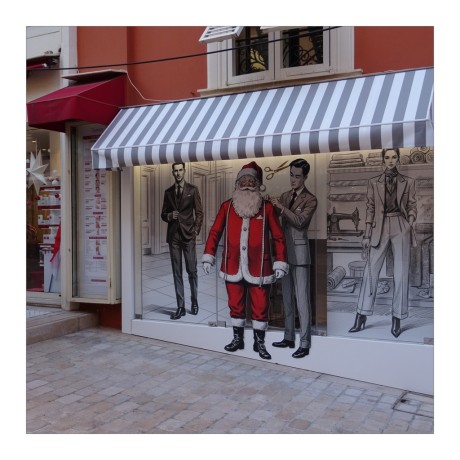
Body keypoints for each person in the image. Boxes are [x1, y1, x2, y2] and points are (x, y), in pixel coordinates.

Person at [202, 161, 288, 360]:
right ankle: (237, 339)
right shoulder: (227, 207)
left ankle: (260, 343)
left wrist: (280, 261)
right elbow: (215, 232)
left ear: (258, 185)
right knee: (235, 304)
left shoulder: (266, 208)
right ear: (237, 184)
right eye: (244, 181)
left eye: (251, 181)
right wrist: (208, 256)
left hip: (260, 267)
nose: (247, 184)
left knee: (260, 306)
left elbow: (278, 237)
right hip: (232, 264)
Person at [348, 148, 417, 337]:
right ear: (383, 160)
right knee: (370, 272)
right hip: (379, 227)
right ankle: (361, 316)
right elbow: (370, 208)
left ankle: (397, 318)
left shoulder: (408, 182)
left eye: (394, 157)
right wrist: (366, 235)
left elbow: (412, 205)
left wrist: (410, 223)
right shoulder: (373, 182)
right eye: (387, 157)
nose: (390, 160)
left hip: (400, 225)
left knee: (401, 273)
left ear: (398, 159)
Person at [270, 158, 318, 358]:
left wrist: (281, 208)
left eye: (297, 176)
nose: (293, 179)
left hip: (300, 256)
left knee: (302, 302)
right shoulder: (284, 195)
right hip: (284, 255)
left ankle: (305, 343)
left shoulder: (311, 199)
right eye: (291, 175)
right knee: (287, 299)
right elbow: (276, 219)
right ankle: (289, 337)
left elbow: (300, 222)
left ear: (305, 177)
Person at [161, 162, 203, 320]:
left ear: (184, 171)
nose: (178, 173)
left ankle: (194, 301)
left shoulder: (192, 190)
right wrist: (169, 216)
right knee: (176, 272)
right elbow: (163, 214)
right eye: (175, 171)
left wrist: (196, 230)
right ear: (173, 173)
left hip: (188, 236)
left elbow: (199, 213)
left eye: (180, 170)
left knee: (192, 271)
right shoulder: (168, 192)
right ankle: (181, 307)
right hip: (174, 237)